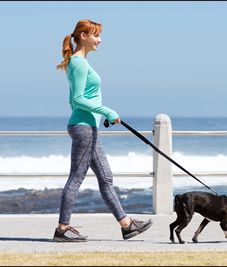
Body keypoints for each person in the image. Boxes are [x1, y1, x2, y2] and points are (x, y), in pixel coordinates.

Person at [54, 19, 153, 242]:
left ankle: (127, 225)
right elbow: (77, 99)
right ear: (83, 36)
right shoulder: (79, 63)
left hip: (88, 127)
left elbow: (75, 99)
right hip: (84, 127)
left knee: (106, 178)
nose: (100, 39)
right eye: (96, 35)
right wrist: (106, 111)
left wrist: (101, 115)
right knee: (76, 178)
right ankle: (62, 229)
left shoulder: (79, 62)